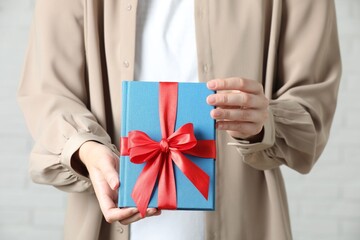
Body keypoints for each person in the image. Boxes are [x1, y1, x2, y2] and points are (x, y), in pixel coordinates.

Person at [17, 0, 341, 239]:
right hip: (105, 224)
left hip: (245, 222)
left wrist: (263, 120)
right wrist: (86, 148)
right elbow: (49, 90)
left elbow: (311, 107)